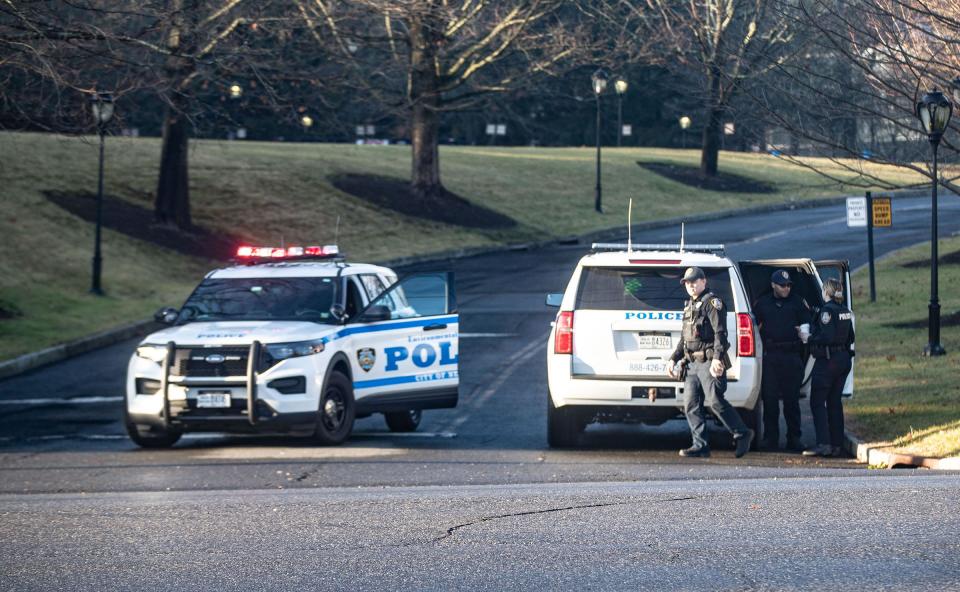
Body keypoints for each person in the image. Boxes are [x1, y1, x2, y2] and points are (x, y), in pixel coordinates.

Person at [667, 266, 754, 458]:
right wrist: (673, 359)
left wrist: (716, 358)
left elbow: (720, 333)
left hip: (709, 361)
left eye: (694, 281)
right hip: (691, 364)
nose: (690, 285)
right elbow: (685, 338)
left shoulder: (712, 303)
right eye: (687, 282)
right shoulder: (690, 305)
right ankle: (700, 445)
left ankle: (742, 432)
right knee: (690, 404)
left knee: (715, 400)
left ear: (703, 281)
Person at [752, 269, 812, 452]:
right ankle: (771, 439)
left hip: (791, 356)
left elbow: (807, 325)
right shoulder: (762, 304)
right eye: (782, 285)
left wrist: (804, 334)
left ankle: (794, 439)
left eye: (788, 285)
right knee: (769, 401)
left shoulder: (797, 302)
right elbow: (754, 327)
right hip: (770, 357)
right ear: (773, 285)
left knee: (791, 402)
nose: (786, 288)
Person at [803, 278, 855, 457]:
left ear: (826, 291)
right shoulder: (845, 311)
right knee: (834, 402)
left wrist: (808, 338)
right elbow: (851, 338)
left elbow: (827, 336)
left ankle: (823, 444)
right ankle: (837, 444)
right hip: (843, 360)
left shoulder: (827, 311)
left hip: (828, 361)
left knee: (817, 402)